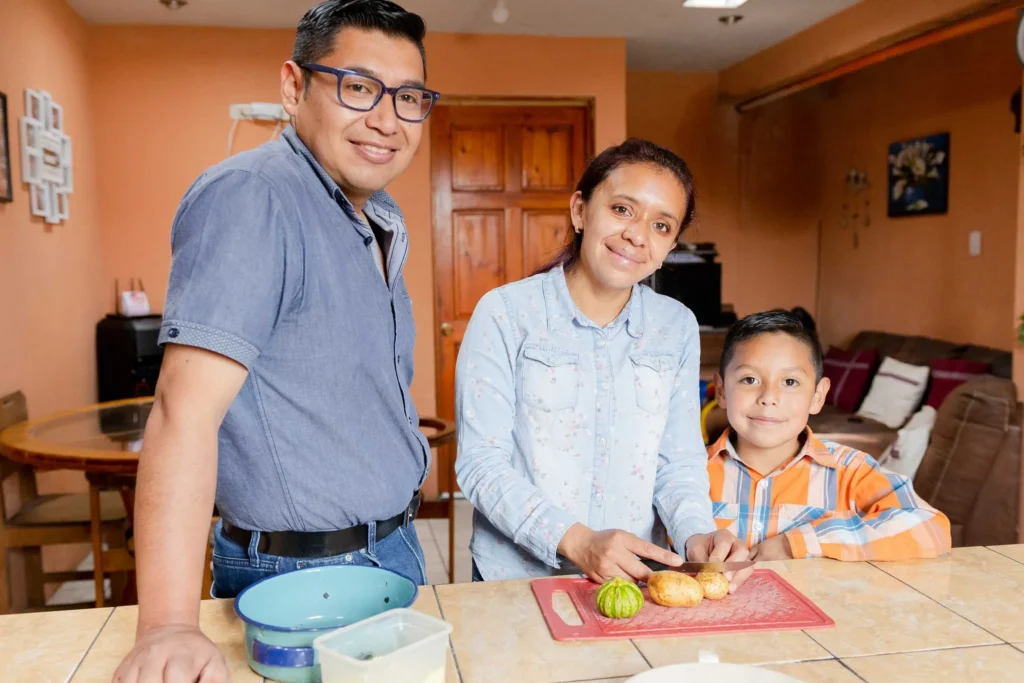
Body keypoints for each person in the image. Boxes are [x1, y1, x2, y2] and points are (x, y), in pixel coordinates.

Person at [114, 2, 439, 681]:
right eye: (358, 86)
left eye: (409, 98)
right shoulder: (252, 198)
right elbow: (182, 412)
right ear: (294, 88)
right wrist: (168, 624)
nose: (388, 119)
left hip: (392, 549)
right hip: (301, 573)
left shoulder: (379, 214)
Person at [455, 138, 751, 589]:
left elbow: (677, 462)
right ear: (580, 211)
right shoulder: (505, 313)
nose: (637, 235)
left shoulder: (676, 326)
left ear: (671, 244)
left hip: (635, 579)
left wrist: (696, 534)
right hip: (515, 578)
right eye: (622, 210)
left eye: (661, 225)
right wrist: (575, 540)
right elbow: (481, 464)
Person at [708, 310, 952, 561]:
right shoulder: (687, 474)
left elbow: (930, 527)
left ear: (818, 396)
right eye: (749, 379)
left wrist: (798, 543)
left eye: (790, 382)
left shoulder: (851, 471)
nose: (768, 397)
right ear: (722, 391)